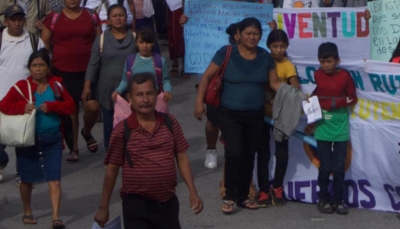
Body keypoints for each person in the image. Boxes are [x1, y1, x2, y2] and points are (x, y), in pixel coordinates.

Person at [94, 73, 203, 229]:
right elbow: (112, 169)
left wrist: (193, 191)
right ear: (130, 99)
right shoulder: (122, 131)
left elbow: (182, 157)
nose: (145, 100)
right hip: (136, 207)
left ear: (156, 95)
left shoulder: (170, 123)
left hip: (168, 205)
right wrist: (103, 207)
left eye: (149, 94)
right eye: (139, 95)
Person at [194, 17, 280, 214]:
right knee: (235, 152)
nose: (252, 37)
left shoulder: (265, 57)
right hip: (229, 112)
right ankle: (229, 195)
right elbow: (207, 76)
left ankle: (243, 197)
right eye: (248, 33)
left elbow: (275, 84)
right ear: (238, 35)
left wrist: (295, 94)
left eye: (256, 34)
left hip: (255, 113)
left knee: (249, 154)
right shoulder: (226, 52)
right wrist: (199, 102)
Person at [0, 49, 75, 228]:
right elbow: (4, 105)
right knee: (26, 178)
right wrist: (22, 107)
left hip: (53, 140)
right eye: (34, 65)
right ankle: (27, 211)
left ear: (48, 68)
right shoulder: (21, 86)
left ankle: (56, 217)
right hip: (27, 141)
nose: (38, 69)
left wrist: (54, 106)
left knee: (54, 178)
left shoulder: (56, 85)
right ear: (29, 68)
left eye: (41, 65)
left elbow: (70, 105)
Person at [0, 6, 43, 183]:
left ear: (24, 20)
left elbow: (43, 65)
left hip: (26, 99)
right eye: (13, 19)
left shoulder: (33, 40)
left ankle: (21, 171)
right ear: (6, 21)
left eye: (19, 19)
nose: (16, 23)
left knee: (23, 136)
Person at [41, 0, 100, 160]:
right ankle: (74, 149)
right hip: (62, 71)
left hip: (88, 71)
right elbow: (44, 43)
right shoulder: (53, 18)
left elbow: (99, 43)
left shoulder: (91, 16)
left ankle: (87, 131)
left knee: (92, 106)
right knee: (71, 109)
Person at [312, 42, 358, 215]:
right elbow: (316, 94)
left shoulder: (345, 76)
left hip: (340, 129)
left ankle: (339, 200)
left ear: (337, 60)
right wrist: (312, 105)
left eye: (329, 61)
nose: (326, 65)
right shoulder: (317, 74)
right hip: (322, 128)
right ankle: (323, 198)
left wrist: (332, 103)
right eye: (322, 61)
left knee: (338, 168)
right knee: (325, 167)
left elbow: (352, 98)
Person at [83, 4, 137, 150]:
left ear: (126, 18)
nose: (118, 18)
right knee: (109, 126)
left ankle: (131, 156)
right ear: (108, 20)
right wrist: (87, 86)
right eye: (115, 16)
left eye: (121, 15)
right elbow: (93, 65)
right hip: (107, 90)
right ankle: (111, 157)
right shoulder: (101, 40)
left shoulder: (135, 38)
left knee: (131, 125)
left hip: (131, 90)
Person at [265, 29, 301, 206]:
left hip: (281, 117)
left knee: (282, 153)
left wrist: (298, 95)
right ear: (268, 46)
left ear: (287, 46)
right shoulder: (263, 61)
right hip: (262, 114)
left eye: (282, 46)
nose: (278, 50)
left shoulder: (288, 65)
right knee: (262, 153)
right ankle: (263, 188)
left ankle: (277, 186)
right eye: (275, 46)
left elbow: (295, 88)